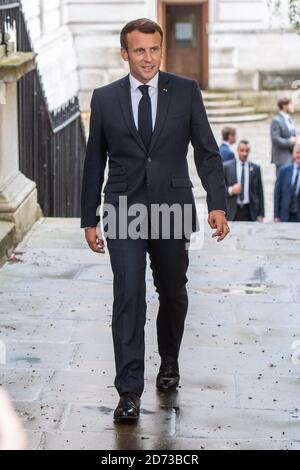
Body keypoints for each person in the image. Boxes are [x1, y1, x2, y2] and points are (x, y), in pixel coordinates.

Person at [80, 18, 229, 423]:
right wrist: (88, 217)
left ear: (161, 50)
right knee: (128, 296)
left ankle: (169, 359)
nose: (148, 58)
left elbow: (207, 151)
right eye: (139, 50)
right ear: (124, 53)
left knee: (173, 292)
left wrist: (217, 202)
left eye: (154, 49)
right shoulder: (106, 98)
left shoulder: (184, 91)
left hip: (172, 208)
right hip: (123, 209)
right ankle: (128, 392)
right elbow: (94, 162)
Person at [223, 140, 265, 222]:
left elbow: (260, 192)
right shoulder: (226, 167)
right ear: (237, 150)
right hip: (233, 211)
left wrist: (261, 214)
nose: (244, 153)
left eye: (247, 151)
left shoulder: (256, 168)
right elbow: (220, 188)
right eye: (242, 150)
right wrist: (231, 190)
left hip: (250, 211)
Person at [271, 97, 297, 178]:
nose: (293, 106)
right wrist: (289, 141)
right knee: (282, 181)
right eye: (291, 104)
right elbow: (275, 139)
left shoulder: (289, 119)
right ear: (284, 106)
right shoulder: (276, 120)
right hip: (282, 157)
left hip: (291, 155)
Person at [274, 142, 300, 223]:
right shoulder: (284, 171)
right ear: (293, 154)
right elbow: (277, 194)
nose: (299, 155)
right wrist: (276, 215)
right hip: (285, 216)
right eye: (297, 152)